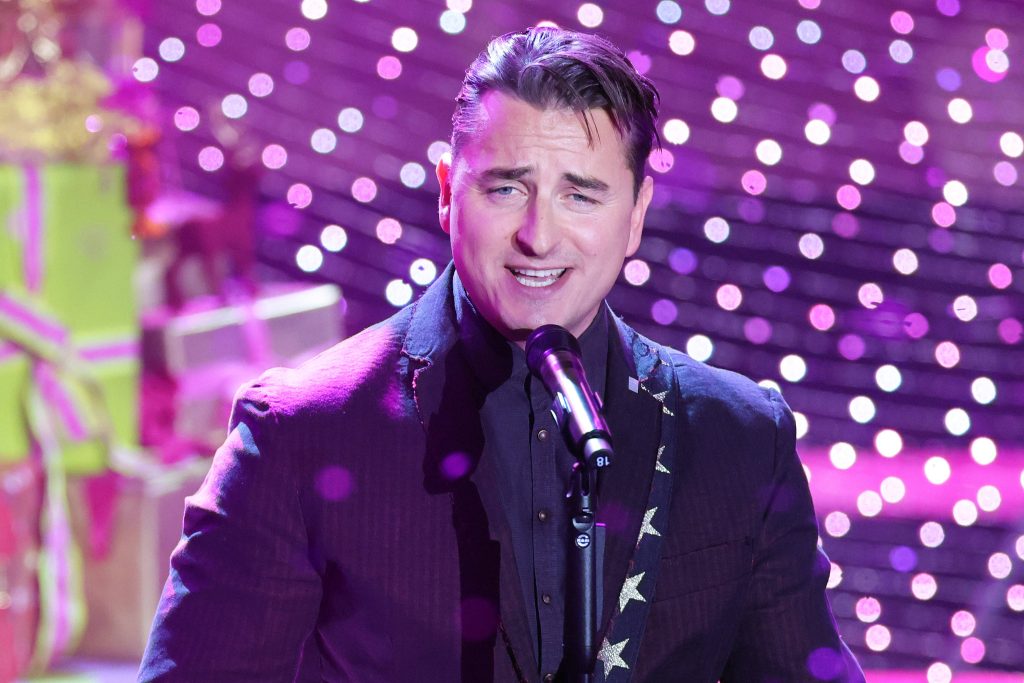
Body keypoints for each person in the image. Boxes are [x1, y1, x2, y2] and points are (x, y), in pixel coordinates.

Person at [139, 26, 864, 682]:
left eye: (581, 195)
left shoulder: (739, 437)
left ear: (636, 215)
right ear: (448, 193)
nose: (538, 236)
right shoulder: (301, 433)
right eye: (507, 187)